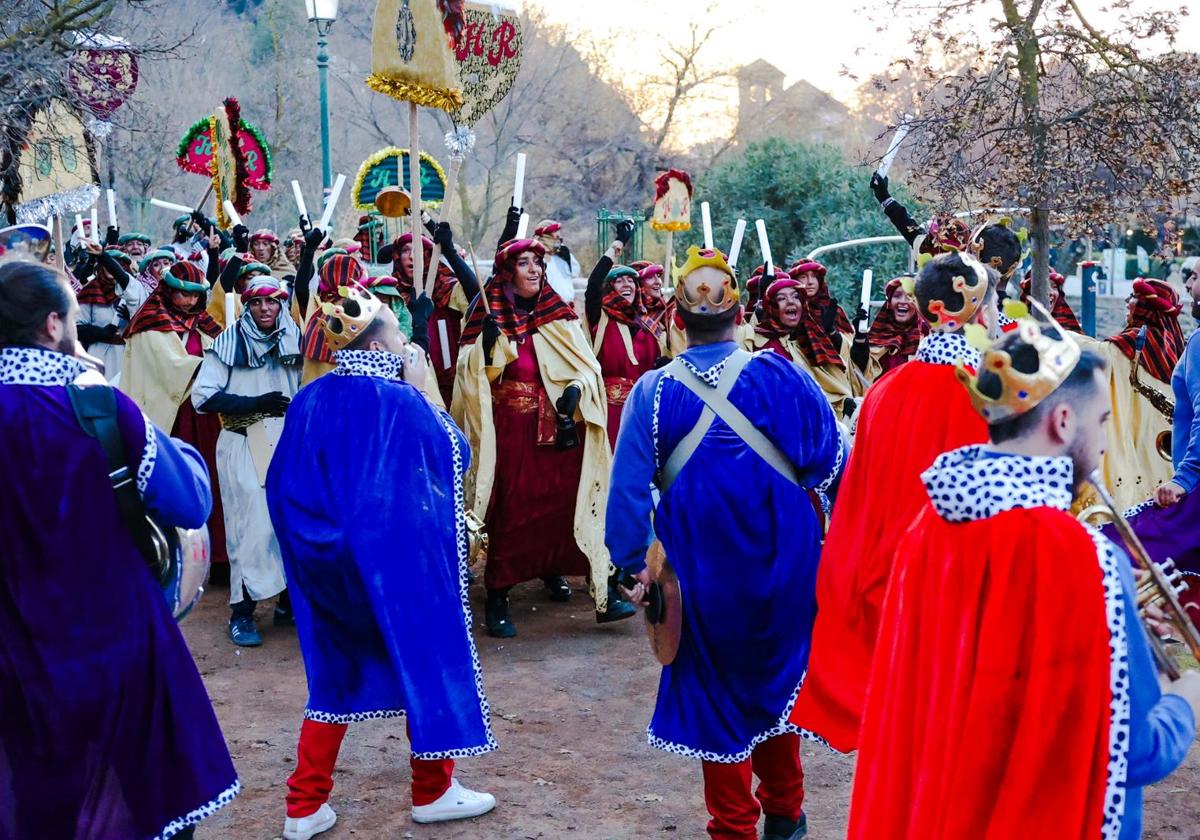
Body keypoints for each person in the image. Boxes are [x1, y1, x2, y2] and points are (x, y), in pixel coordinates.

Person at [846, 313, 1200, 839]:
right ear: (1061, 422)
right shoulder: (1083, 557)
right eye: (1102, 423)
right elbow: (1136, 750)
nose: (1104, 446)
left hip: (947, 813)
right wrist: (1186, 691)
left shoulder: (929, 526)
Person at [607, 245, 845, 840]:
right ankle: (786, 815)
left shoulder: (652, 393)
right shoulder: (782, 373)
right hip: (788, 565)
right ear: (740, 313)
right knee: (778, 679)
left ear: (676, 320)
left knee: (716, 693)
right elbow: (830, 463)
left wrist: (634, 565)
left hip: (699, 573)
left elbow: (629, 490)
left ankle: (733, 826)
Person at [0, 259, 238, 839]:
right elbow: (189, 502)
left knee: (33, 794)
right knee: (145, 791)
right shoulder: (94, 405)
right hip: (117, 641)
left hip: (14, 650)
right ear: (53, 326)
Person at [266, 281, 496, 840]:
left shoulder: (310, 398)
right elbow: (454, 457)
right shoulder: (400, 400)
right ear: (373, 343)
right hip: (399, 572)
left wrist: (317, 549)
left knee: (334, 679)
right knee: (427, 660)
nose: (405, 341)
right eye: (397, 333)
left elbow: (279, 483)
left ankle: (304, 805)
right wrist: (422, 388)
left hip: (327, 568)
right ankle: (434, 790)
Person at [790, 252, 993, 751]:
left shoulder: (885, 389)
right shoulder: (985, 393)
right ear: (969, 309)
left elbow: (857, 499)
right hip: (950, 597)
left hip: (885, 586)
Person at [454, 237, 632, 636]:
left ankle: (589, 583)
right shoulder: (489, 315)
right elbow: (472, 380)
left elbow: (587, 368)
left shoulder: (559, 315)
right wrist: (485, 348)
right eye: (525, 263)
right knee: (513, 509)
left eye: (539, 262)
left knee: (565, 504)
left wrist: (575, 391)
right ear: (508, 272)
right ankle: (498, 595)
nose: (535, 269)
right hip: (511, 433)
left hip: (560, 433)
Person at [192, 275, 302, 647]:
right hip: (242, 442)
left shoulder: (294, 337)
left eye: (272, 302)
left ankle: (289, 603)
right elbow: (202, 397)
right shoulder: (228, 342)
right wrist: (256, 404)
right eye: (256, 303)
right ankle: (242, 612)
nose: (265, 309)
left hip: (287, 443)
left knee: (291, 523)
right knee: (249, 527)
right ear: (248, 306)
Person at [123, 260, 229, 566]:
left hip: (205, 414)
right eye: (185, 294)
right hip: (172, 416)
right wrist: (211, 364)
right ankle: (176, 557)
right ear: (169, 290)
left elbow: (219, 344)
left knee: (214, 480)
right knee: (177, 483)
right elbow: (168, 368)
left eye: (196, 295)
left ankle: (219, 556)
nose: (191, 301)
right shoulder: (149, 321)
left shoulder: (200, 320)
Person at [1074, 278, 1182, 512]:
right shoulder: (1176, 343)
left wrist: (1052, 333)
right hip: (1163, 455)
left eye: (1133, 298)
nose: (1128, 302)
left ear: (1145, 307)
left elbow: (1095, 354)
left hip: (1136, 445)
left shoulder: (1133, 345)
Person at [584, 221, 660, 448]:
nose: (627, 284)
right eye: (619, 280)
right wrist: (618, 244)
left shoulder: (648, 327)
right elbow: (593, 284)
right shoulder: (601, 318)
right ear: (610, 288)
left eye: (631, 280)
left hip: (643, 412)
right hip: (609, 413)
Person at [747, 265, 855, 417]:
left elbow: (838, 381)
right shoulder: (759, 342)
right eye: (781, 298)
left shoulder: (807, 340)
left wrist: (832, 332)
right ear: (771, 307)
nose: (791, 302)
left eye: (796, 296)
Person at [75, 241, 140, 383]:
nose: (112, 268)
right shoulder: (89, 291)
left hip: (129, 356)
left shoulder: (135, 290)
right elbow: (76, 328)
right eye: (110, 264)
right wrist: (100, 333)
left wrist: (131, 319)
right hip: (99, 355)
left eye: (119, 264)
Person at [849, 275, 928, 380]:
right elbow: (860, 370)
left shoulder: (926, 338)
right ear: (889, 303)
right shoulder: (875, 335)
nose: (903, 301)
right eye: (897, 296)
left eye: (909, 296)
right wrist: (860, 337)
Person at [534, 219, 581, 305]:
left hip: (568, 306)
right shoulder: (535, 258)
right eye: (554, 235)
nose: (558, 237)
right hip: (549, 307)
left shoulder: (563, 255)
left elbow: (575, 272)